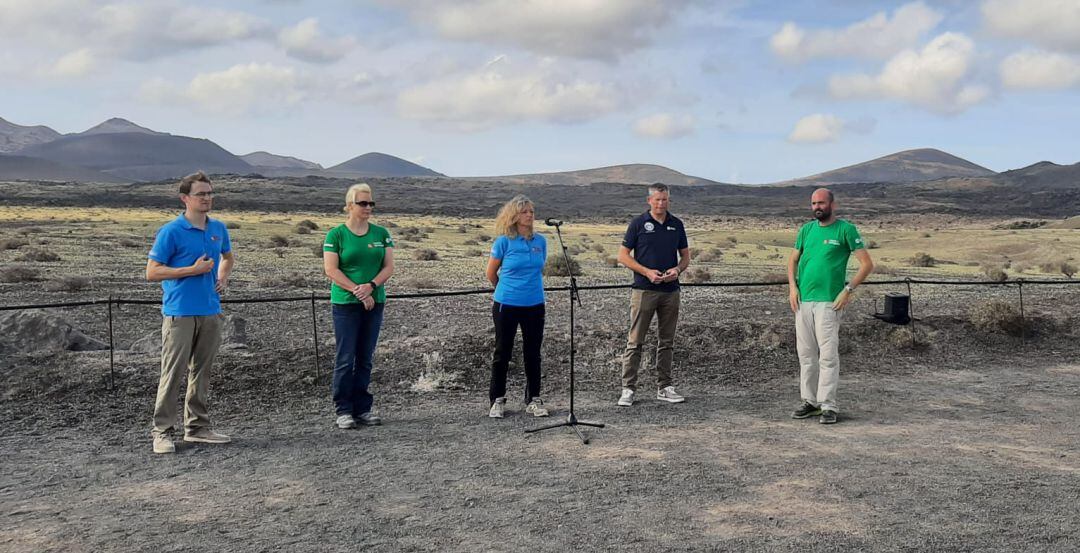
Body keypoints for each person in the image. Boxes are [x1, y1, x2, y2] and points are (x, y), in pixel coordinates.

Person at [146, 171, 235, 454]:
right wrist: (191, 270)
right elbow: (152, 272)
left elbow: (228, 257)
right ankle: (162, 432)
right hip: (180, 313)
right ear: (185, 198)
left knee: (202, 373)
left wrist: (223, 278)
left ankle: (197, 428)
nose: (207, 198)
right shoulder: (171, 231)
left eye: (210, 193)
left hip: (210, 311)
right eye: (201, 194)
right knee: (172, 373)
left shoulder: (218, 228)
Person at [787, 188, 874, 424]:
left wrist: (848, 290)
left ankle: (828, 404)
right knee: (806, 355)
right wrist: (793, 288)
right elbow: (793, 261)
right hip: (804, 301)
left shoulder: (846, 230)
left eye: (822, 203)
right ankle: (810, 401)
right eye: (814, 203)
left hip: (829, 302)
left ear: (833, 205)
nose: (817, 207)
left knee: (827, 355)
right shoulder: (806, 230)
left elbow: (867, 264)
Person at [323, 183, 395, 429]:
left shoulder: (381, 233)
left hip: (375, 301)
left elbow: (389, 267)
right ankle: (343, 409)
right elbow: (331, 269)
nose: (368, 207)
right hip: (345, 304)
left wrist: (371, 286)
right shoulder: (336, 235)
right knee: (346, 357)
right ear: (349, 206)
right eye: (363, 203)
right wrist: (357, 290)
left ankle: (363, 407)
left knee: (365, 357)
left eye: (371, 203)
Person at [616, 183, 690, 407]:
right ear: (649, 201)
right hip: (644, 290)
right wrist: (646, 272)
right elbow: (623, 256)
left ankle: (664, 387)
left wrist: (676, 270)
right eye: (657, 199)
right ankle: (628, 389)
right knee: (635, 341)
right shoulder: (638, 224)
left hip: (670, 291)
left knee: (666, 341)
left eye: (665, 199)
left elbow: (685, 257)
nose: (661, 203)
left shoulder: (676, 225)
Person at [485, 195, 550, 418]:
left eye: (532, 211)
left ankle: (533, 398)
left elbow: (539, 269)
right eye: (525, 212)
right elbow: (491, 273)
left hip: (535, 304)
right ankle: (497, 399)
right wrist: (504, 291)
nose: (530, 215)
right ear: (513, 215)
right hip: (507, 304)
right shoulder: (503, 242)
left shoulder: (540, 241)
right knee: (503, 352)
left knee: (533, 353)